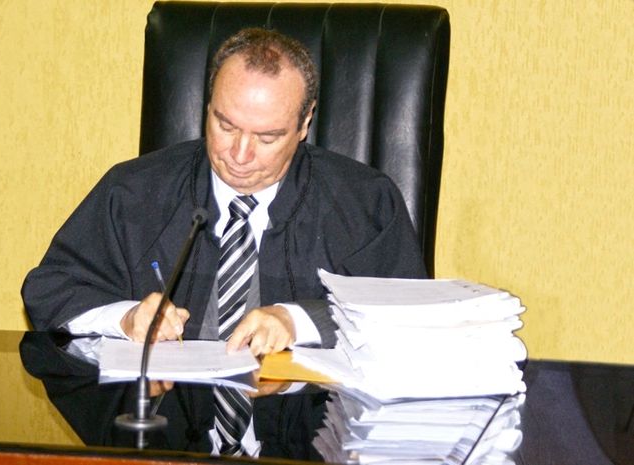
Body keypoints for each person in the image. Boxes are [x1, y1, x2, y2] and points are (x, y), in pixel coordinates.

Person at [22, 28, 426, 459]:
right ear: (207, 107)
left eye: (267, 137)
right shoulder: (134, 193)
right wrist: (125, 317)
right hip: (167, 453)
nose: (240, 154)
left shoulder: (364, 203)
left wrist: (298, 321)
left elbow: (410, 320)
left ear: (305, 122)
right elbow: (49, 290)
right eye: (225, 125)